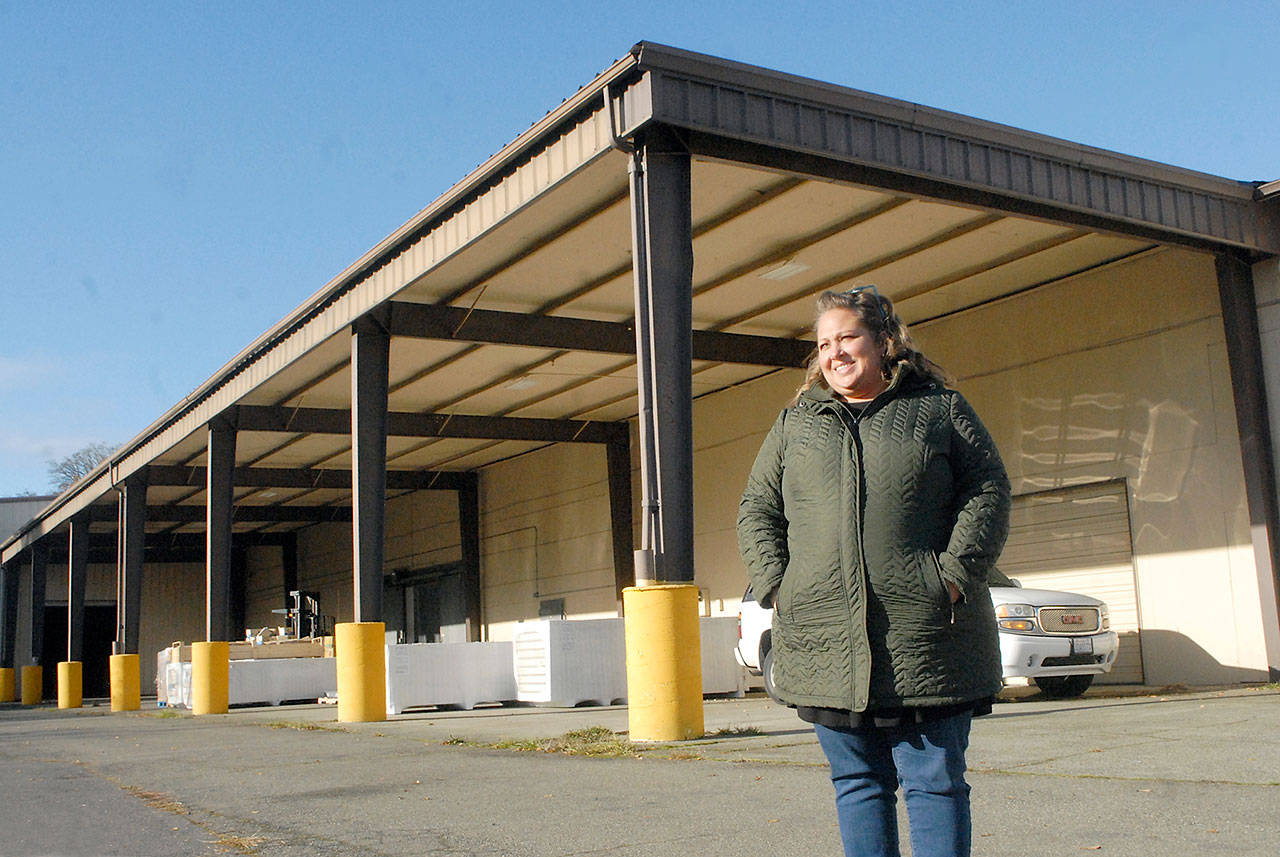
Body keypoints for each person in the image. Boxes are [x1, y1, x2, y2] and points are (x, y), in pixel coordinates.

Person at [737, 286, 1010, 857]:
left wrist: (954, 574)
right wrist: (780, 587)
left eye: (848, 337)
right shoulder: (795, 425)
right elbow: (757, 508)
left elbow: (987, 489)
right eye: (824, 344)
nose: (835, 353)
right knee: (857, 784)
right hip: (824, 638)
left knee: (934, 783)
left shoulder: (939, 409)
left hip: (927, 634)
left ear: (884, 342)